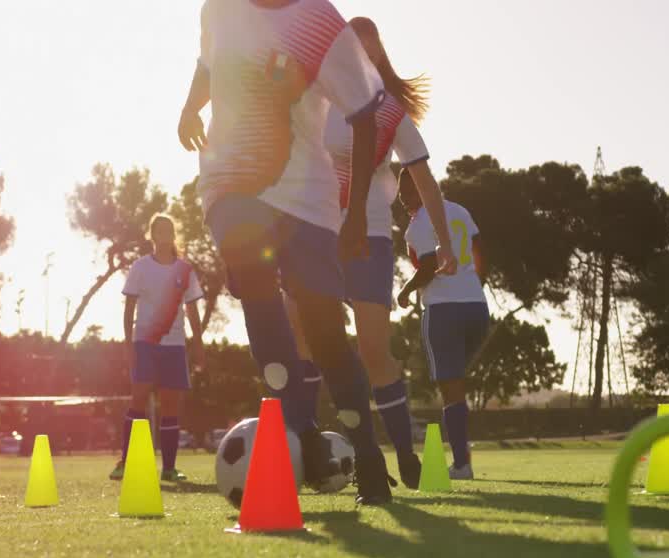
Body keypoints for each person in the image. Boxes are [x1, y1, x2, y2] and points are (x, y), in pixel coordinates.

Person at [178, 0, 394, 505]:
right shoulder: (219, 9)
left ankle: (366, 453)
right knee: (253, 276)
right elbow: (208, 62)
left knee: (324, 332)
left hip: (307, 198)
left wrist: (357, 211)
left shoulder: (320, 22)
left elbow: (364, 115)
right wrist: (192, 105)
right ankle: (299, 424)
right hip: (231, 183)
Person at [288, 15, 457, 489]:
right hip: (316, 234)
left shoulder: (390, 114)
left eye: (370, 49)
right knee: (300, 332)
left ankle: (403, 454)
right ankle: (307, 445)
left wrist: (443, 240)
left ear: (379, 55)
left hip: (370, 239)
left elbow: (424, 181)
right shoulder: (315, 99)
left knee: (372, 351)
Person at [397, 171, 489, 479]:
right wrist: (475, 286)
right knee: (458, 386)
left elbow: (426, 267)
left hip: (443, 311)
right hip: (476, 308)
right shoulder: (460, 210)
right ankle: (463, 458)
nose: (404, 201)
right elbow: (479, 253)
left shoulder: (420, 223)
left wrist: (405, 290)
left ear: (420, 191)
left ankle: (462, 464)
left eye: (406, 194)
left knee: (451, 391)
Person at [111, 214, 205, 482]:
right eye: (159, 230)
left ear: (173, 234)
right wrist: (128, 346)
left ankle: (169, 468)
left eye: (168, 230)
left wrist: (198, 345)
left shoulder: (184, 270)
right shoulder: (140, 267)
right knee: (139, 398)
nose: (164, 234)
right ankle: (125, 462)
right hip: (145, 343)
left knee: (170, 406)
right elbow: (129, 309)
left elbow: (193, 310)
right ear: (151, 235)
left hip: (175, 345)